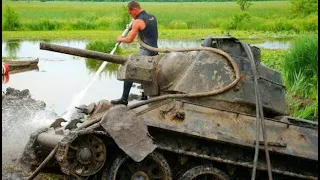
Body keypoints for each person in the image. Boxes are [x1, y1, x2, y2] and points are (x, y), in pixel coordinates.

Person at [111, 0, 158, 106]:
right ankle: (144, 95)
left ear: (135, 10)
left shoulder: (138, 21)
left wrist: (120, 38)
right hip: (155, 50)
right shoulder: (152, 17)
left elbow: (129, 40)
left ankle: (124, 98)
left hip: (146, 51)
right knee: (145, 71)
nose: (130, 15)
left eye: (130, 13)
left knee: (130, 69)